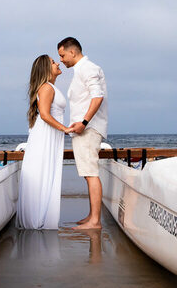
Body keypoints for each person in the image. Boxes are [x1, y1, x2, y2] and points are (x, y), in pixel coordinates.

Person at [58, 37, 108, 230]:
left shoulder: (88, 68)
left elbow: (98, 97)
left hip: (88, 129)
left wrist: (84, 122)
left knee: (91, 173)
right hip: (84, 129)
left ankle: (95, 221)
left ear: (72, 52)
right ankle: (91, 216)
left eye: (62, 55)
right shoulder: (80, 70)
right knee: (88, 173)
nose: (61, 59)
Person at [17, 55, 71, 229]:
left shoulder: (49, 87)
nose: (58, 63)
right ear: (46, 69)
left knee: (46, 171)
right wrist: (65, 129)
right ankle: (37, 218)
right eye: (53, 62)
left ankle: (41, 216)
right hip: (46, 136)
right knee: (43, 171)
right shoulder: (47, 88)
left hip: (49, 136)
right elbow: (45, 115)